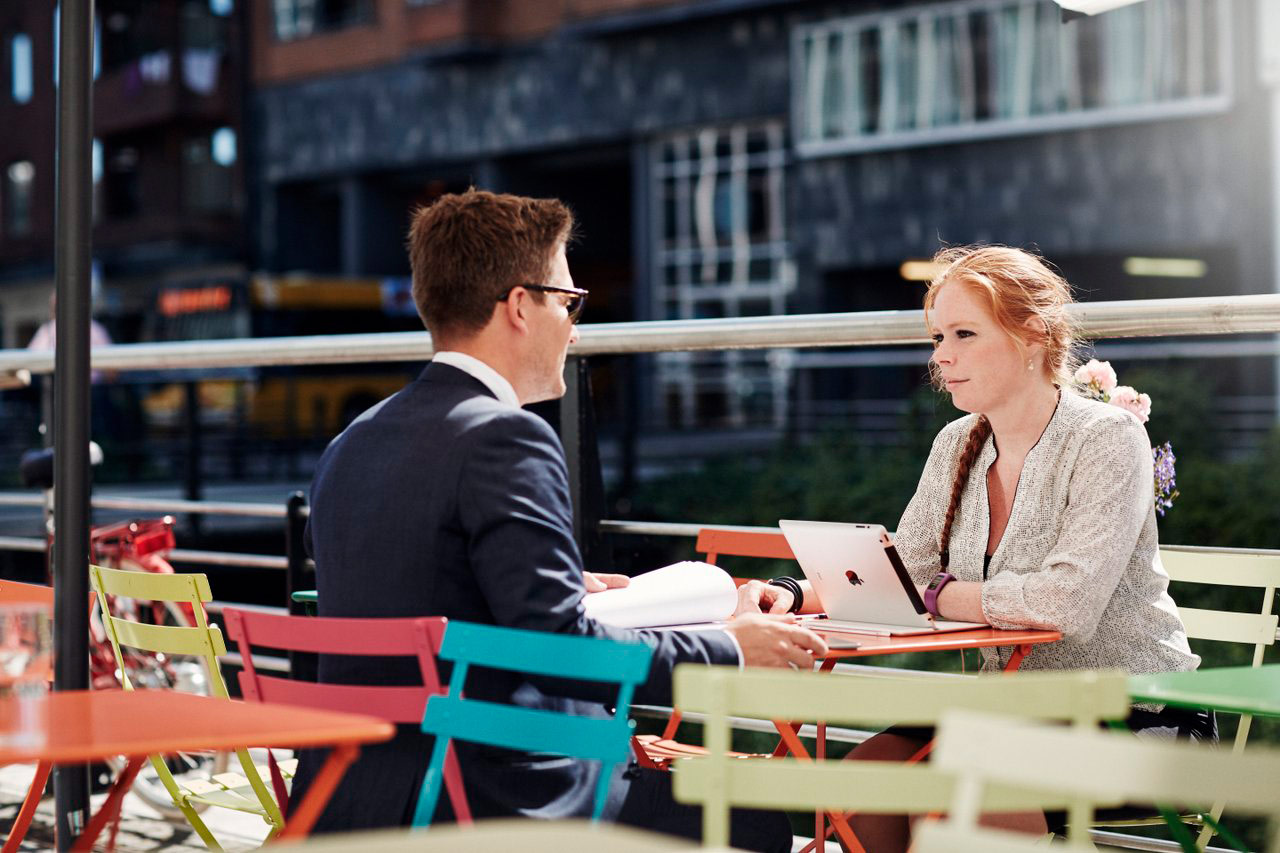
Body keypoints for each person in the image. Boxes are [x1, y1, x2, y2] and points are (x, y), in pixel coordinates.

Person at [292, 189, 826, 850]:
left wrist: (554, 580)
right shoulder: (503, 437)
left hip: (348, 796)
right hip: (487, 799)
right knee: (758, 821)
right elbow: (560, 650)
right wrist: (731, 646)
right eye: (569, 302)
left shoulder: (352, 442)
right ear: (521, 305)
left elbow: (417, 587)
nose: (575, 326)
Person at [736, 245, 1210, 852]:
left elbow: (1066, 604)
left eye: (963, 334)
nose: (942, 356)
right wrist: (792, 593)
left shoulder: (1107, 439)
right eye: (937, 337)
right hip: (1013, 707)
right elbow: (904, 564)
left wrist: (943, 595)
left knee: (957, 801)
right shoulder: (958, 441)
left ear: (1033, 334)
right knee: (859, 787)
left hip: (1137, 713)